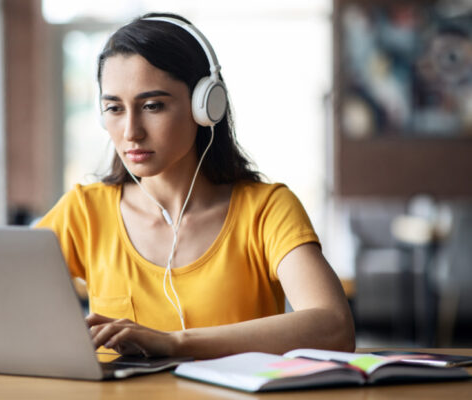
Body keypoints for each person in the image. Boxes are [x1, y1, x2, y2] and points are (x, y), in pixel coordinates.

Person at [35, 12, 355, 360]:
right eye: (114, 108)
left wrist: (176, 343)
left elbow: (334, 327)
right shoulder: (83, 212)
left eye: (153, 106)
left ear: (205, 106)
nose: (130, 132)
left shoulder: (266, 210)